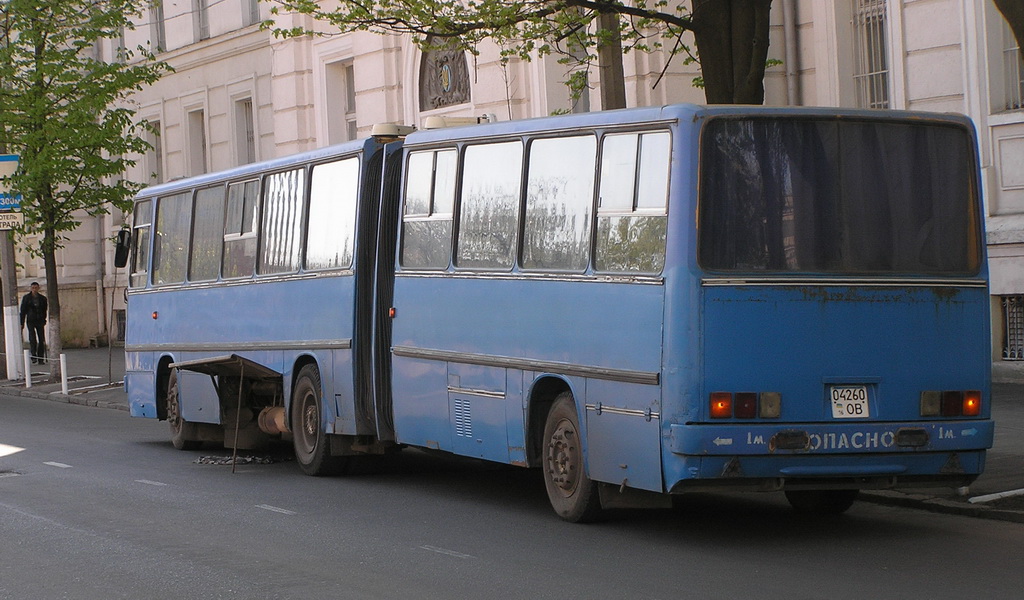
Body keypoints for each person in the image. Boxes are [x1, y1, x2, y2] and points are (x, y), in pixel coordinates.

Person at [20, 282, 47, 364]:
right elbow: (23, 311)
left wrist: (44, 319)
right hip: (31, 320)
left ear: (38, 288)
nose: (34, 289)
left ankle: (41, 358)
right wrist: (22, 322)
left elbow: (44, 310)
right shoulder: (26, 298)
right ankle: (34, 355)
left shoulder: (43, 298)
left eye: (36, 288)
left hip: (40, 320)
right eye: (33, 288)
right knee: (32, 338)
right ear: (31, 288)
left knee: (41, 339)